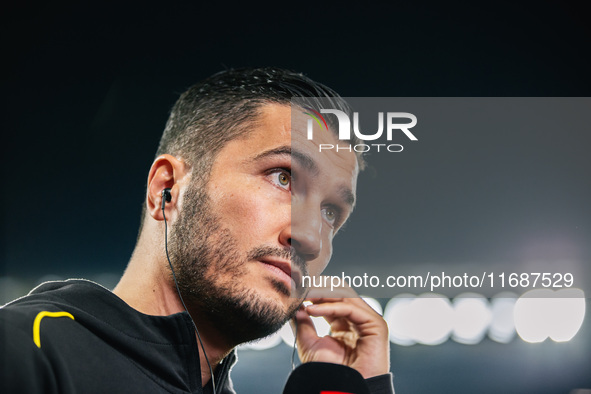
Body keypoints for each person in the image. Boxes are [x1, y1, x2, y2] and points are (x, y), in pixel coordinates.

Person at [0, 67, 394, 393]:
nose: (310, 237)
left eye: (330, 212)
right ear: (166, 190)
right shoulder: (24, 351)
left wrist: (346, 383)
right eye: (283, 178)